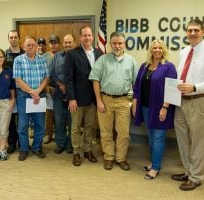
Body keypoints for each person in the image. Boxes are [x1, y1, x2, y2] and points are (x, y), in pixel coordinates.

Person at [172, 19, 204, 191]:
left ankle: (196, 177)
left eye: (196, 30)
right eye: (189, 30)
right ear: (186, 33)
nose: (192, 33)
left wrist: (195, 87)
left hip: (199, 100)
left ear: (203, 31)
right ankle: (188, 171)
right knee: (183, 139)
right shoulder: (184, 51)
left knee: (198, 142)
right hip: (181, 102)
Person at [89, 32, 138, 171]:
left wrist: (132, 102)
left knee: (123, 133)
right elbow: (95, 80)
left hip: (123, 101)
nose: (117, 46)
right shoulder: (103, 60)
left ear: (124, 44)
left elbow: (136, 84)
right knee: (106, 132)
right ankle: (109, 157)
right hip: (105, 100)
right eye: (115, 43)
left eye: (120, 43)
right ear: (110, 44)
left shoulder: (131, 61)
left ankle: (121, 158)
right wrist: (99, 100)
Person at [132, 39, 177, 178]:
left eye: (159, 47)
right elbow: (137, 88)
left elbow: (172, 90)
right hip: (145, 108)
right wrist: (135, 105)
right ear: (150, 50)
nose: (157, 50)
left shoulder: (169, 67)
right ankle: (154, 162)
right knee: (151, 137)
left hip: (161, 108)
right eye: (154, 48)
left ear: (163, 50)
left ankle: (156, 168)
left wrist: (164, 108)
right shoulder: (144, 66)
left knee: (158, 138)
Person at [64, 25, 102, 166]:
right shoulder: (72, 54)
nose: (87, 38)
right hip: (77, 99)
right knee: (75, 127)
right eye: (85, 35)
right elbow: (68, 78)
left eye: (89, 35)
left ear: (93, 37)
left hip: (93, 98)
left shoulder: (98, 54)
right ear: (80, 37)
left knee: (89, 127)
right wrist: (71, 98)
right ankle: (76, 152)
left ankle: (87, 150)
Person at [13, 36, 50, 161]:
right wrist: (31, 91)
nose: (30, 47)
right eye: (28, 45)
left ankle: (37, 147)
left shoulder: (43, 59)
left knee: (40, 124)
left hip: (40, 95)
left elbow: (46, 77)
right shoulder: (18, 60)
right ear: (23, 46)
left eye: (33, 44)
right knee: (23, 125)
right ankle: (24, 149)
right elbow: (17, 79)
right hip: (24, 96)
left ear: (36, 46)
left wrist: (38, 91)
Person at [51, 33, 76, 154]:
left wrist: (69, 88)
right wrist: (61, 85)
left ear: (74, 43)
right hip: (59, 93)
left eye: (69, 42)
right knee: (59, 120)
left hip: (73, 95)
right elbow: (52, 73)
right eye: (65, 42)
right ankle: (60, 144)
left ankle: (71, 144)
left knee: (72, 121)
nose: (67, 45)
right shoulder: (57, 57)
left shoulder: (78, 56)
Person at [5, 30, 25, 154]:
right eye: (11, 37)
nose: (13, 39)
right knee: (11, 118)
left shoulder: (24, 53)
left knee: (23, 118)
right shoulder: (4, 54)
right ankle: (12, 143)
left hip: (23, 89)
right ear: (8, 39)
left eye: (15, 37)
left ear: (19, 38)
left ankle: (23, 143)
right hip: (9, 90)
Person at [43, 34, 61, 144]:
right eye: (51, 43)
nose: (53, 45)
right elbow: (42, 74)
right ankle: (48, 134)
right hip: (48, 89)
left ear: (58, 44)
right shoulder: (43, 57)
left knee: (60, 114)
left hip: (60, 89)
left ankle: (60, 135)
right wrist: (45, 87)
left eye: (55, 43)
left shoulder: (63, 55)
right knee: (48, 114)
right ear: (49, 44)